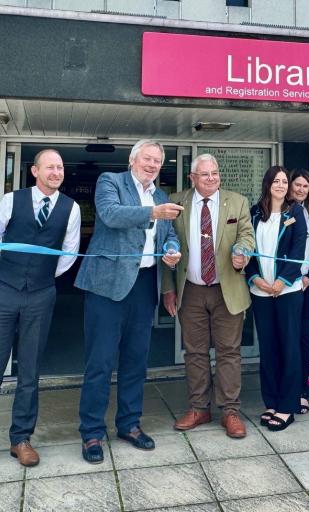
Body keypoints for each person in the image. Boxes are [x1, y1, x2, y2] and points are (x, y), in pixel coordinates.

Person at [0, 149, 81, 477]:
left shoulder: (72, 208)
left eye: (60, 167)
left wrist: (38, 278)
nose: (57, 172)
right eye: (50, 167)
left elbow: (67, 254)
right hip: (3, 293)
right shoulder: (13, 200)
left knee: (30, 372)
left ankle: (21, 439)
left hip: (41, 295)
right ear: (35, 171)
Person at [75, 139, 182, 463]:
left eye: (157, 161)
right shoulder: (111, 182)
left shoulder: (161, 196)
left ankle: (129, 424)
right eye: (147, 159)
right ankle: (92, 432)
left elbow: (168, 232)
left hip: (144, 284)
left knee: (136, 361)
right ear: (133, 160)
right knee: (100, 362)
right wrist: (152, 212)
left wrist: (171, 248)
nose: (152, 165)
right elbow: (110, 215)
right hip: (106, 286)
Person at [160, 154, 255, 438]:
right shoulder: (177, 202)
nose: (211, 178)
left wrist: (243, 252)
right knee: (196, 353)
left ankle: (230, 412)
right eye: (205, 174)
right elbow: (168, 244)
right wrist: (168, 288)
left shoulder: (237, 201)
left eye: (215, 173)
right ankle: (199, 408)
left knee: (229, 352)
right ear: (192, 177)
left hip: (228, 290)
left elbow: (246, 235)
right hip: (191, 291)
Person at [245, 165, 307, 432]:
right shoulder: (255, 212)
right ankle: (271, 401)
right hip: (261, 292)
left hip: (288, 291)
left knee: (289, 348)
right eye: (277, 181)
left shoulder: (296, 212)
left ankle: (287, 405)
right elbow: (245, 246)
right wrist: (255, 279)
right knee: (268, 349)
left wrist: (282, 281)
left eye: (285, 181)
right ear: (268, 183)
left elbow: (298, 249)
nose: (281, 185)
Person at [288, 169, 309, 414]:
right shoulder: (285, 213)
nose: (300, 190)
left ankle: (301, 391)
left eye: (305, 186)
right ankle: (287, 389)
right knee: (288, 339)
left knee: (304, 340)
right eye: (297, 185)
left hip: (307, 287)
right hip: (287, 285)